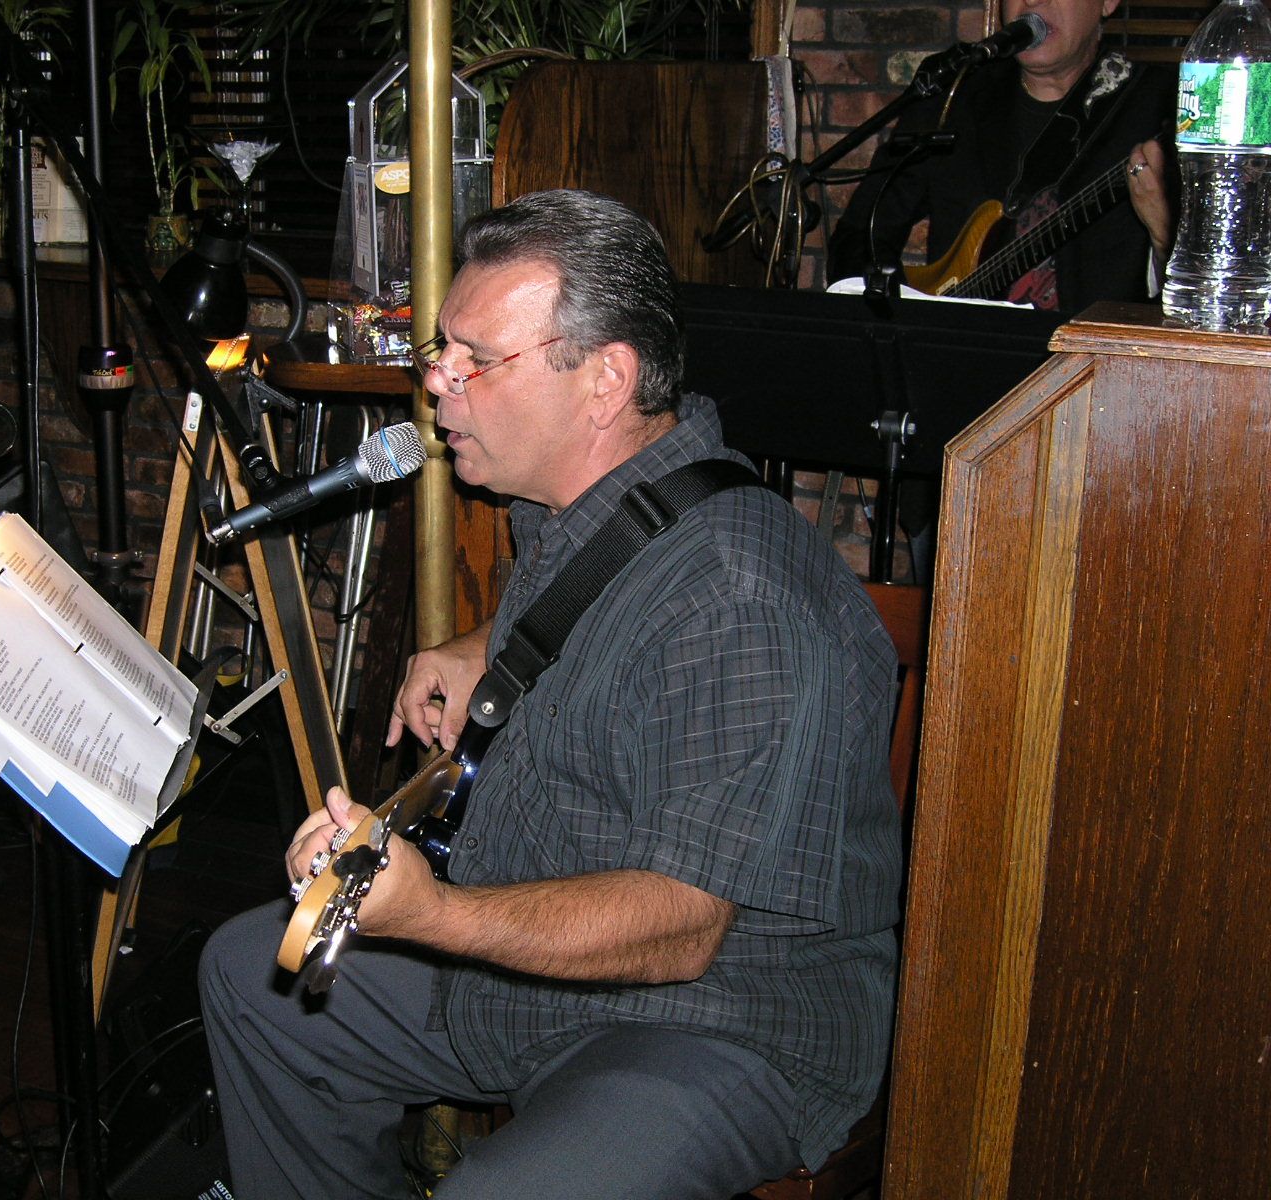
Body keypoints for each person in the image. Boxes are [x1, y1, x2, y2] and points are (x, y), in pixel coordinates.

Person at [199, 189, 904, 1200]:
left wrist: (435, 914)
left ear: (604, 380)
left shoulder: (738, 596)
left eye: (474, 359)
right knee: (249, 975)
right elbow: (606, 603)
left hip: (723, 1015)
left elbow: (680, 926)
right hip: (544, 954)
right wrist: (485, 642)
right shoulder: (589, 504)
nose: (435, 381)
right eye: (440, 349)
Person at [827, 0, 1177, 311]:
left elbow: (1196, 301)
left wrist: (1165, 239)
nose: (1032, 0)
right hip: (961, 352)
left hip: (1092, 360)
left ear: (1108, 2)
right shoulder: (956, 94)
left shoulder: (1157, 107)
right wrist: (900, 323)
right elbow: (860, 235)